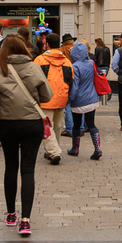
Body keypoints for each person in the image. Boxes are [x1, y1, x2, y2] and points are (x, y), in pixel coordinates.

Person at [0, 35, 52, 237]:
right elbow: (47, 95)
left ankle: (11, 214)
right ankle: (26, 220)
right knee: (28, 170)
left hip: (7, 123)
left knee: (11, 167)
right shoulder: (34, 67)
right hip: (32, 123)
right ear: (24, 48)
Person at [34, 32, 71, 165]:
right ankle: (54, 149)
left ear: (47, 44)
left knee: (46, 126)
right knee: (57, 125)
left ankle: (54, 151)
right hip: (61, 98)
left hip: (45, 98)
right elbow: (70, 80)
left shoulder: (39, 60)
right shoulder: (66, 61)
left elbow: (34, 79)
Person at [67, 42, 103, 160]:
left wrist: (70, 98)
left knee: (76, 125)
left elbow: (75, 86)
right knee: (91, 124)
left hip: (78, 101)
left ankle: (75, 149)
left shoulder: (75, 66)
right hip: (92, 98)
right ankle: (97, 149)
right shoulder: (91, 63)